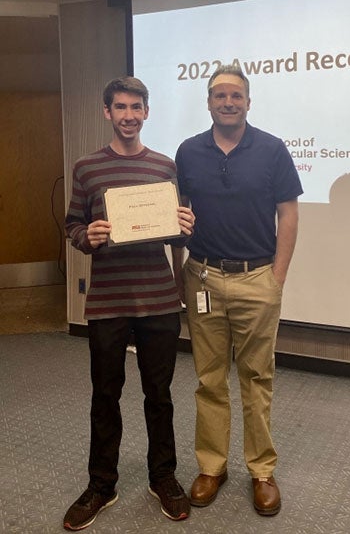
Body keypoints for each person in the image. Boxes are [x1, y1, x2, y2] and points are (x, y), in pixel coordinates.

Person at [63, 76, 195, 531]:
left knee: (159, 397)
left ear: (146, 112)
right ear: (107, 113)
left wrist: (184, 224)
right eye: (119, 107)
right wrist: (87, 236)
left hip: (158, 300)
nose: (128, 115)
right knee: (105, 396)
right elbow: (72, 224)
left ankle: (164, 478)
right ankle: (102, 485)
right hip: (107, 303)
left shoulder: (164, 167)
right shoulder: (86, 168)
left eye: (136, 107)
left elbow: (175, 231)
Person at [173, 64, 303, 516]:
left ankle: (261, 471)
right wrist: (179, 273)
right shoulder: (188, 152)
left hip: (257, 279)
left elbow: (288, 213)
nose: (228, 102)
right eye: (219, 95)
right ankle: (212, 466)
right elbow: (178, 214)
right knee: (209, 380)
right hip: (203, 276)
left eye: (236, 95)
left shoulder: (272, 149)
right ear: (208, 103)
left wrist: (277, 277)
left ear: (249, 101)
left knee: (256, 379)